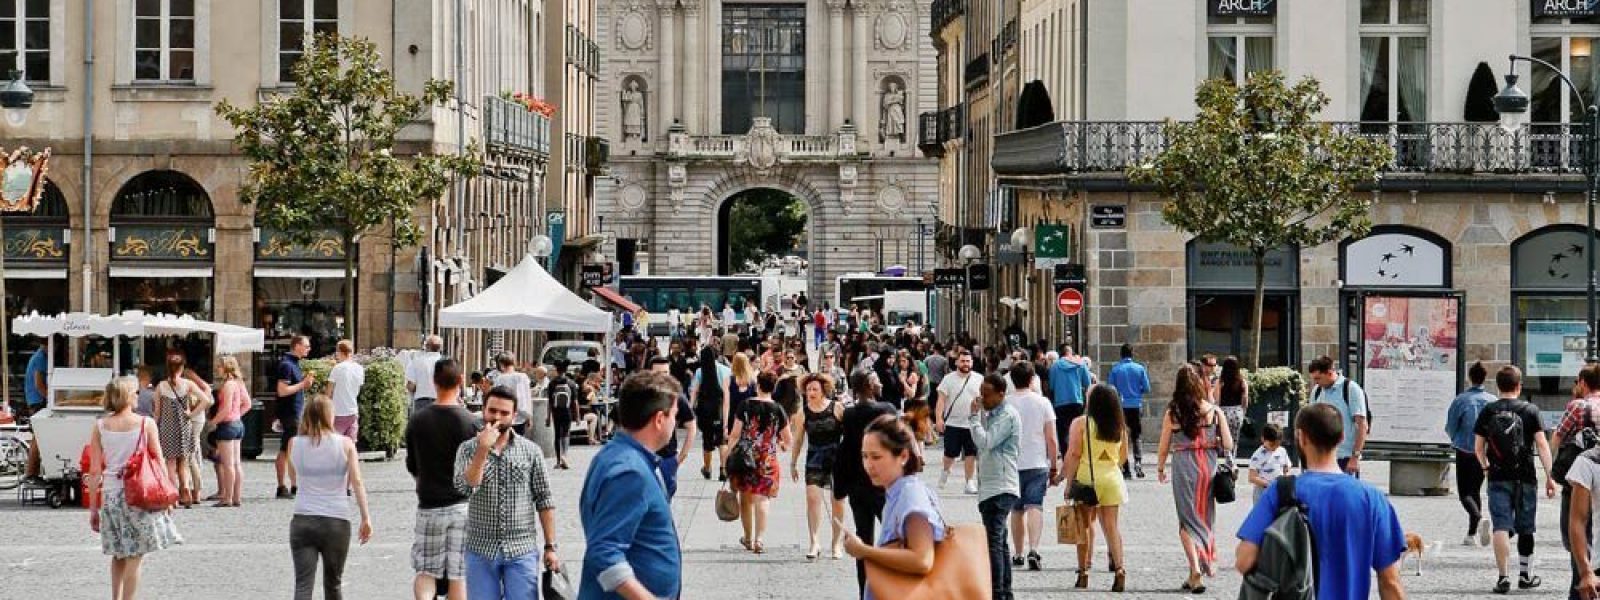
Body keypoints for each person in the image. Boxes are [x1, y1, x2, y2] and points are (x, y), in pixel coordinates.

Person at [1236, 403, 1407, 600]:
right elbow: (1390, 582)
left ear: (1301, 437)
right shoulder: (1372, 498)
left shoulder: (1281, 491)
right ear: (1342, 437)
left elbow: (1244, 560)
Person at [579, 371, 685, 600]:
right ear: (659, 419)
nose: (675, 423)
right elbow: (604, 552)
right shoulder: (629, 471)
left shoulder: (620, 456)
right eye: (674, 416)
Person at [453, 386, 560, 600]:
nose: (497, 418)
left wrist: (550, 546)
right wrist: (482, 450)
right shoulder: (467, 449)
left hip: (521, 549)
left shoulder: (531, 451)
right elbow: (465, 487)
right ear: (483, 411)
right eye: (492, 411)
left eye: (504, 413)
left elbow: (544, 499)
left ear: (515, 415)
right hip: (480, 549)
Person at [87, 376, 183, 600]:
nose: (138, 396)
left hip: (111, 495)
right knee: (135, 555)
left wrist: (93, 507)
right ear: (127, 397)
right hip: (139, 494)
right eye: (135, 392)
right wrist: (167, 496)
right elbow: (159, 461)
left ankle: (116, 598)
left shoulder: (100, 426)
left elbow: (94, 471)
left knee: (119, 554)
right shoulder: (145, 424)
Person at [841, 414, 948, 600]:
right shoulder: (897, 492)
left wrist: (864, 551)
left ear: (903, 456)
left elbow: (922, 560)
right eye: (864, 456)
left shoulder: (910, 495)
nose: (868, 465)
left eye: (876, 457)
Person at [1474, 365, 1557, 594]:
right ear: (1519, 386)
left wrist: (1485, 466)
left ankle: (1503, 578)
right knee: (1526, 527)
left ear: (1498, 386)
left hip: (1498, 476)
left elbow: (1478, 447)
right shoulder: (1530, 410)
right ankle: (1525, 575)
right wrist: (1550, 476)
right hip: (1526, 477)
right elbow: (1542, 445)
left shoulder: (1489, 411)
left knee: (1500, 525)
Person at [1155, 363, 1232, 593]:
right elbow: (1228, 443)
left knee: (1186, 521)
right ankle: (1195, 571)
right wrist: (1213, 442)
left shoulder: (1173, 412)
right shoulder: (1213, 411)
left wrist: (1160, 467)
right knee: (1204, 516)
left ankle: (1195, 568)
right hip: (1207, 466)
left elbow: (1163, 445)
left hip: (1183, 467)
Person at [404, 359, 476, 600]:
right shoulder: (470, 422)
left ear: (434, 383)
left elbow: (412, 465)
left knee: (426, 571)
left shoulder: (417, 420)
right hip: (462, 505)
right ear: (460, 381)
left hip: (429, 504)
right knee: (458, 574)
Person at [289, 393, 374, 600]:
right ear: (330, 416)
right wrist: (365, 517)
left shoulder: (294, 443)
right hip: (336, 519)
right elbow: (357, 482)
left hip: (303, 518)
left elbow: (294, 479)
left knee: (302, 585)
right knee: (333, 584)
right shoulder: (345, 444)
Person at [1063, 384, 1129, 592]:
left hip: (1086, 479)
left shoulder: (1081, 423)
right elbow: (1123, 457)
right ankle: (1119, 569)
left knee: (1082, 528)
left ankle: (1083, 572)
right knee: (1111, 528)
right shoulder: (1119, 425)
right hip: (1112, 478)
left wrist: (1067, 482)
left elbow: (1074, 454)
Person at [836, 371, 896, 597]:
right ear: (869, 386)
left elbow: (845, 451)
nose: (881, 382)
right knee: (894, 538)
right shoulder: (886, 410)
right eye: (877, 380)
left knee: (864, 539)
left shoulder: (850, 415)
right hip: (884, 486)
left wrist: (840, 486)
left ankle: (865, 592)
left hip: (858, 488)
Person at [725, 372, 792, 554]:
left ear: (758, 386)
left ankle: (747, 537)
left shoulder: (745, 405)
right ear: (774, 387)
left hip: (745, 458)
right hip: (768, 458)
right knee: (762, 498)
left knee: (745, 498)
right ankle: (759, 539)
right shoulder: (778, 409)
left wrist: (727, 458)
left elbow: (734, 434)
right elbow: (788, 439)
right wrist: (781, 444)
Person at [970, 373, 1021, 600]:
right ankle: (1004, 591)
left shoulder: (1006, 416)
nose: (983, 398)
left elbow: (986, 441)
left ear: (1001, 394)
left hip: (1000, 487)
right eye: (981, 393)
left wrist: (973, 417)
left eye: (987, 394)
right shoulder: (993, 414)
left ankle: (997, 592)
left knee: (994, 543)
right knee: (999, 542)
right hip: (991, 487)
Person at [1005, 362, 1057, 572]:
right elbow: (1051, 438)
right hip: (1036, 461)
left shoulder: (1005, 404)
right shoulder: (1042, 402)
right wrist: (1054, 465)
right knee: (1035, 506)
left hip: (1012, 462)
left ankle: (1017, 553)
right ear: (1031, 379)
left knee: (1016, 509)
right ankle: (1033, 549)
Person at [791, 373, 846, 560]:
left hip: (837, 459)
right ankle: (814, 541)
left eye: (815, 389)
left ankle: (836, 543)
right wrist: (793, 462)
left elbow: (849, 434)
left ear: (823, 391)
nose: (811, 393)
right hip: (814, 458)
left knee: (837, 502)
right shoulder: (802, 413)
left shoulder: (837, 408)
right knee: (812, 498)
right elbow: (798, 440)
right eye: (808, 390)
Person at [1557, 365, 1600, 600]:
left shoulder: (1578, 406)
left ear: (1583, 382)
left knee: (1578, 528)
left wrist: (1555, 471)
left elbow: (1557, 439)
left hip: (1580, 478)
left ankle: (1581, 580)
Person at [1446, 360, 1496, 547]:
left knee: (1465, 493)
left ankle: (1477, 517)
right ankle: (1471, 533)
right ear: (1485, 378)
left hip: (1465, 450)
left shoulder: (1461, 400)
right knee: (1475, 490)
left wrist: (1456, 438)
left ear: (1470, 377)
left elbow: (1450, 426)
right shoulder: (1493, 401)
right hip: (1485, 452)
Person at [154, 350, 211, 508]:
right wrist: (192, 413)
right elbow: (206, 400)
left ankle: (172, 496)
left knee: (170, 464)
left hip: (167, 428)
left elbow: (157, 413)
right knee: (184, 463)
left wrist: (153, 429)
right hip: (184, 427)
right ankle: (185, 488)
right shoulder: (188, 384)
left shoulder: (161, 386)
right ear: (182, 367)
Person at [1308, 356, 1369, 477]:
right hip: (1321, 457)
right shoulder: (1317, 391)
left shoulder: (1351, 389)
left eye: (1318, 378)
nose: (1316, 382)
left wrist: (1355, 457)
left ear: (1329, 373)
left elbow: (1362, 425)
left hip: (1344, 457)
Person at [935, 351, 983, 494]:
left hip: (972, 423)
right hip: (952, 423)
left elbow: (984, 399)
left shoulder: (979, 379)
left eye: (968, 361)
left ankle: (969, 482)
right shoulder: (948, 379)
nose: (965, 364)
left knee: (971, 453)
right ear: (956, 362)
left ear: (972, 363)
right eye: (962, 361)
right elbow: (941, 401)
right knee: (950, 454)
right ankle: (945, 471)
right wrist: (939, 419)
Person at [649, 357, 696, 499]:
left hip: (667, 459)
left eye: (665, 373)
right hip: (643, 458)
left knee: (662, 503)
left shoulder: (676, 397)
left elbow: (691, 426)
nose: (663, 377)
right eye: (658, 373)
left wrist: (681, 457)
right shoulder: (641, 396)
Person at [275, 336, 315, 499]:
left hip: (295, 411)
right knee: (288, 450)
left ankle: (291, 485)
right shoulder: (286, 365)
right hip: (290, 413)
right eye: (306, 346)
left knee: (290, 450)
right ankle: (287, 485)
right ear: (297, 346)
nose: (309, 348)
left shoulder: (294, 364)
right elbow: (282, 391)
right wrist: (303, 384)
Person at [208, 356, 250, 507]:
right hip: (238, 424)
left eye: (219, 366)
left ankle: (227, 497)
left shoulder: (228, 385)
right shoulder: (239, 383)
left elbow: (225, 409)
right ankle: (237, 497)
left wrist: (213, 422)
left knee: (227, 465)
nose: (217, 369)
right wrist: (237, 415)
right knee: (237, 463)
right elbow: (247, 404)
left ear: (226, 367)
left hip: (227, 426)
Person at [1105, 344, 1151, 479]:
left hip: (1121, 405)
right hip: (1136, 404)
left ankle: (1125, 467)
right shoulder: (1140, 368)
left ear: (1121, 354)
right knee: (1136, 436)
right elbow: (1147, 388)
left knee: (1121, 436)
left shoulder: (1115, 369)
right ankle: (1138, 462)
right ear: (1132, 354)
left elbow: (1111, 389)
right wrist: (1137, 392)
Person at [688, 347, 732, 480]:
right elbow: (726, 395)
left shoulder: (700, 371)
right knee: (722, 441)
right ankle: (723, 469)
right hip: (718, 409)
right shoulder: (725, 371)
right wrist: (725, 419)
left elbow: (694, 392)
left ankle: (707, 468)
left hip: (705, 411)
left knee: (707, 441)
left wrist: (690, 409)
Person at [1048, 346, 1093, 460]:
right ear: (1070, 353)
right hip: (1077, 401)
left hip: (1060, 403)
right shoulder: (1080, 364)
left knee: (1063, 433)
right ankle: (1078, 458)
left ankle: (1066, 459)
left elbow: (1051, 386)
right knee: (1077, 431)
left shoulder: (1055, 366)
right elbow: (1087, 383)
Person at [327, 340, 365, 440]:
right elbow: (358, 388)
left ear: (340, 352)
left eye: (337, 352)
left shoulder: (337, 368)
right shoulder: (359, 368)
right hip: (353, 410)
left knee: (336, 444)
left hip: (338, 411)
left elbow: (328, 391)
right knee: (351, 444)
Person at [1246, 423, 1293, 503]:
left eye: (1277, 445)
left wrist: (1286, 473)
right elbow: (1252, 477)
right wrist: (1268, 484)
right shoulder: (1257, 455)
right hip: (1262, 492)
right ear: (1263, 439)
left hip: (1279, 490)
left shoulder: (1282, 451)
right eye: (1271, 445)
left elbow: (1287, 466)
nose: (1274, 448)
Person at [546, 362, 579, 470]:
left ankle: (558, 460)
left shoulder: (552, 383)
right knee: (566, 433)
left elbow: (550, 402)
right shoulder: (571, 383)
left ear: (557, 370)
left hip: (556, 412)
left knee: (557, 435)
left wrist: (548, 416)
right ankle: (565, 455)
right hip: (567, 411)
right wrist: (577, 417)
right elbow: (575, 402)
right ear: (566, 370)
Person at [491, 353, 533, 435]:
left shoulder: (498, 379)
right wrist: (529, 416)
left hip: (503, 417)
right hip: (520, 418)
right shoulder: (522, 377)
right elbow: (526, 398)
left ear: (501, 364)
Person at [405, 335, 445, 416]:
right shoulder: (446, 363)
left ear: (427, 346)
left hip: (421, 402)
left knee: (421, 428)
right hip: (441, 401)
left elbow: (410, 386)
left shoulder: (416, 361)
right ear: (440, 348)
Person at [1216, 356, 1249, 446]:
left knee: (1224, 436)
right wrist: (1243, 411)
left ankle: (1227, 455)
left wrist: (1217, 412)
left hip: (1223, 412)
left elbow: (1217, 399)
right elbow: (1245, 398)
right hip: (1237, 411)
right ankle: (1232, 456)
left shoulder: (1220, 381)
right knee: (1235, 438)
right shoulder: (1242, 381)